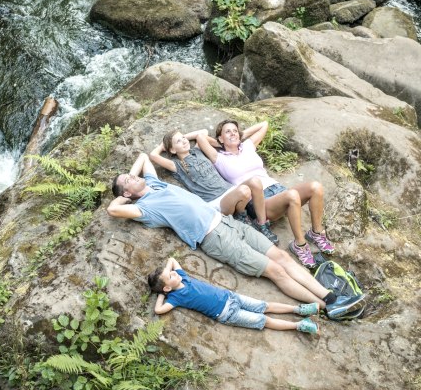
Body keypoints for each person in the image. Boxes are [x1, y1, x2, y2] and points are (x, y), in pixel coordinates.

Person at [107, 152, 365, 319]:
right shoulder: (145, 208)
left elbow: (143, 157)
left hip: (230, 223)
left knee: (283, 257)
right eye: (128, 180)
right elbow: (112, 209)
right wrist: (122, 191)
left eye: (131, 175)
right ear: (127, 194)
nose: (133, 176)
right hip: (215, 238)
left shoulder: (154, 183)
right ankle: (327, 308)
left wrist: (131, 177)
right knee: (276, 271)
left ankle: (331, 297)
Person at [196, 120, 334, 268]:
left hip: (277, 189)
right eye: (228, 132)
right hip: (258, 200)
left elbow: (264, 124)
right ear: (220, 138)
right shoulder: (219, 157)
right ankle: (299, 244)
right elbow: (200, 137)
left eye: (235, 131)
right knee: (292, 195)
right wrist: (220, 143)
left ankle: (316, 233)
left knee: (316, 187)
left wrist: (240, 136)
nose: (233, 133)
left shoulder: (248, 146)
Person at [150, 129, 278, 245]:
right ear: (172, 150)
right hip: (216, 201)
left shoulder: (198, 150)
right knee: (244, 191)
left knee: (255, 182)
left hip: (230, 190)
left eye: (183, 137)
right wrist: (164, 145)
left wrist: (182, 138)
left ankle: (261, 224)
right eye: (178, 141)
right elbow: (153, 155)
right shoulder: (176, 165)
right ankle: (241, 216)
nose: (184, 141)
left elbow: (203, 132)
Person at [148, 257, 319, 334]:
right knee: (263, 320)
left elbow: (171, 259)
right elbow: (159, 310)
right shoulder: (176, 298)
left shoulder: (182, 276)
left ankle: (299, 309)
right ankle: (299, 325)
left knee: (264, 306)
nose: (173, 274)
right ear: (167, 288)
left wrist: (167, 275)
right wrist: (163, 294)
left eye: (171, 273)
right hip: (227, 313)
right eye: (170, 277)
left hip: (230, 296)